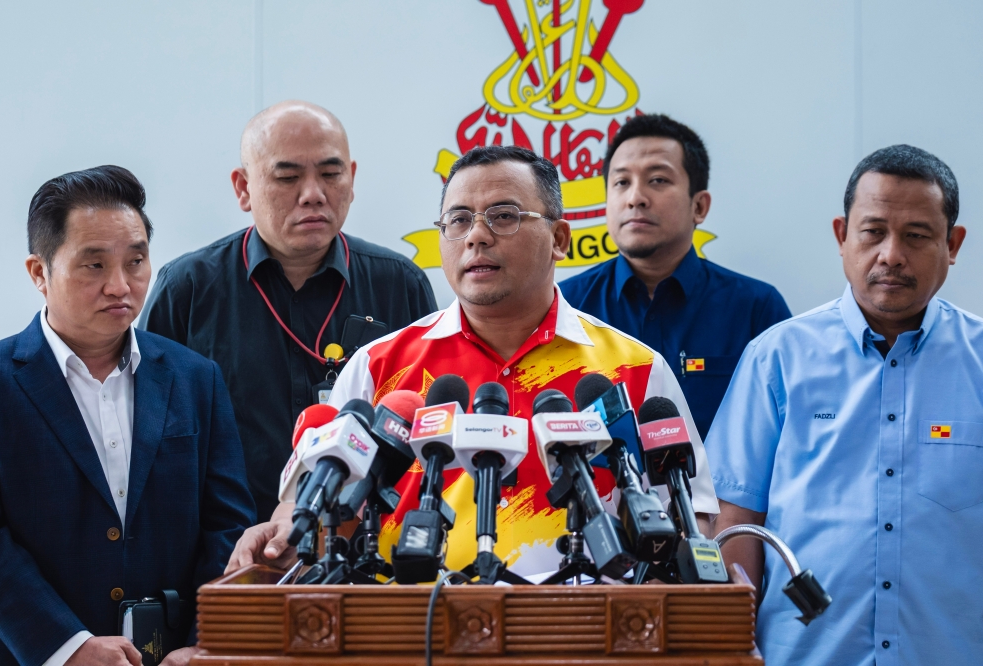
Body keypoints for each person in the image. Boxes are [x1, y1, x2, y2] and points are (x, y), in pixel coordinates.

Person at [227, 145, 719, 579]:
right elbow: (307, 514)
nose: (476, 237)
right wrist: (283, 537)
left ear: (560, 239)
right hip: (407, 635)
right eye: (458, 220)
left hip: (586, 638)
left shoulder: (633, 369)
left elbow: (691, 517)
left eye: (504, 216)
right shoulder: (377, 368)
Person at [707, 145, 978, 665]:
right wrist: (735, 644)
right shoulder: (777, 358)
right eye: (873, 231)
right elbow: (735, 520)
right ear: (842, 236)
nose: (891, 255)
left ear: (953, 243)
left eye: (917, 236)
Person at [0, 166, 255, 666]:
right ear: (39, 273)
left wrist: (205, 641)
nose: (120, 285)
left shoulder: (196, 378)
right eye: (93, 266)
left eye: (136, 261)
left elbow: (228, 528)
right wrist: (67, 647)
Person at [140, 101, 438, 522]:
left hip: (366, 545)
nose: (313, 193)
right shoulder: (188, 288)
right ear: (243, 188)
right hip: (228, 549)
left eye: (331, 174)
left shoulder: (400, 285)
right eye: (288, 177)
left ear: (352, 179)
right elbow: (152, 439)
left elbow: (428, 434)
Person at [559, 114, 791, 438]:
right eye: (621, 182)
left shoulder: (756, 309)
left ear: (699, 206)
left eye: (657, 180)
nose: (635, 197)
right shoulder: (566, 307)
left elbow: (787, 433)